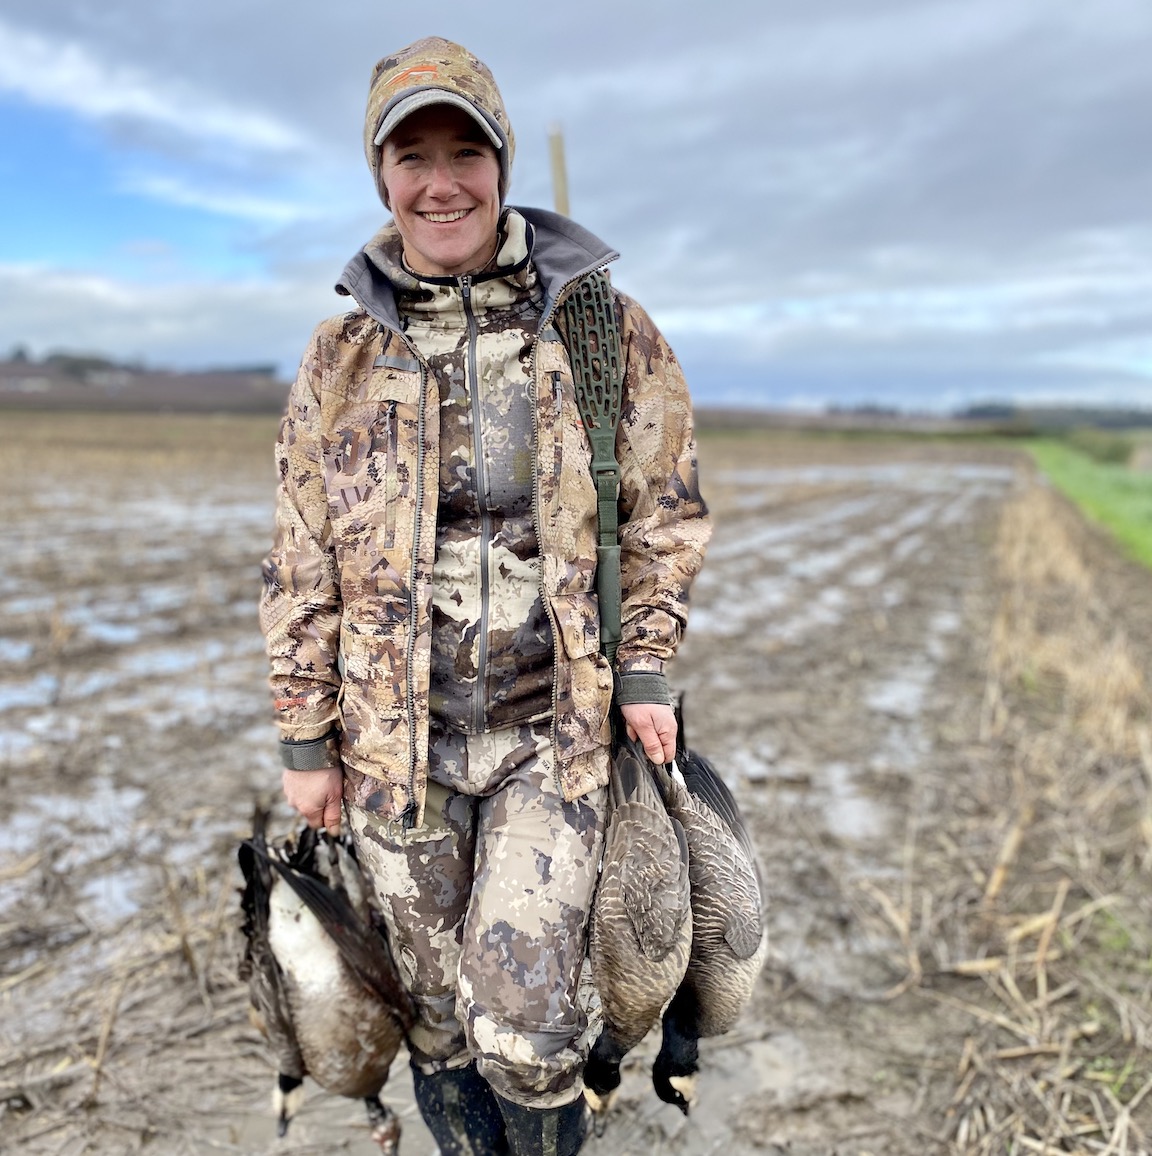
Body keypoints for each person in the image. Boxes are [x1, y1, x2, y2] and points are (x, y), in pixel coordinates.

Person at [259, 35, 710, 1156]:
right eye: (413, 157)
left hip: (545, 737)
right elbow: (301, 552)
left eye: (467, 150)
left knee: (522, 1022)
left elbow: (662, 512)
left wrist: (645, 668)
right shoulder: (340, 355)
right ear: (382, 178)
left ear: (502, 164)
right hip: (387, 750)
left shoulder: (600, 327)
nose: (442, 181)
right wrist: (304, 735)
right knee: (436, 1021)